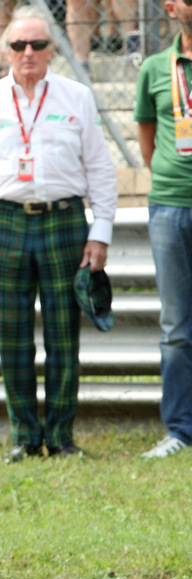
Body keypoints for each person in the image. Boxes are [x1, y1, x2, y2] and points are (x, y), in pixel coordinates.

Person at [0, 5, 116, 462]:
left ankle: (62, 437)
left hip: (65, 220)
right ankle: (24, 436)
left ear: (51, 50)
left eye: (38, 44)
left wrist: (99, 232)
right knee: (13, 335)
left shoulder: (76, 97)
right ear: (6, 49)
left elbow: (101, 171)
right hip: (6, 221)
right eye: (19, 44)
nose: (28, 52)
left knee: (65, 334)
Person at [135, 0, 192, 459]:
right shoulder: (156, 68)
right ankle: (179, 429)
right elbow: (148, 137)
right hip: (170, 206)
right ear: (172, 8)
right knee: (176, 325)